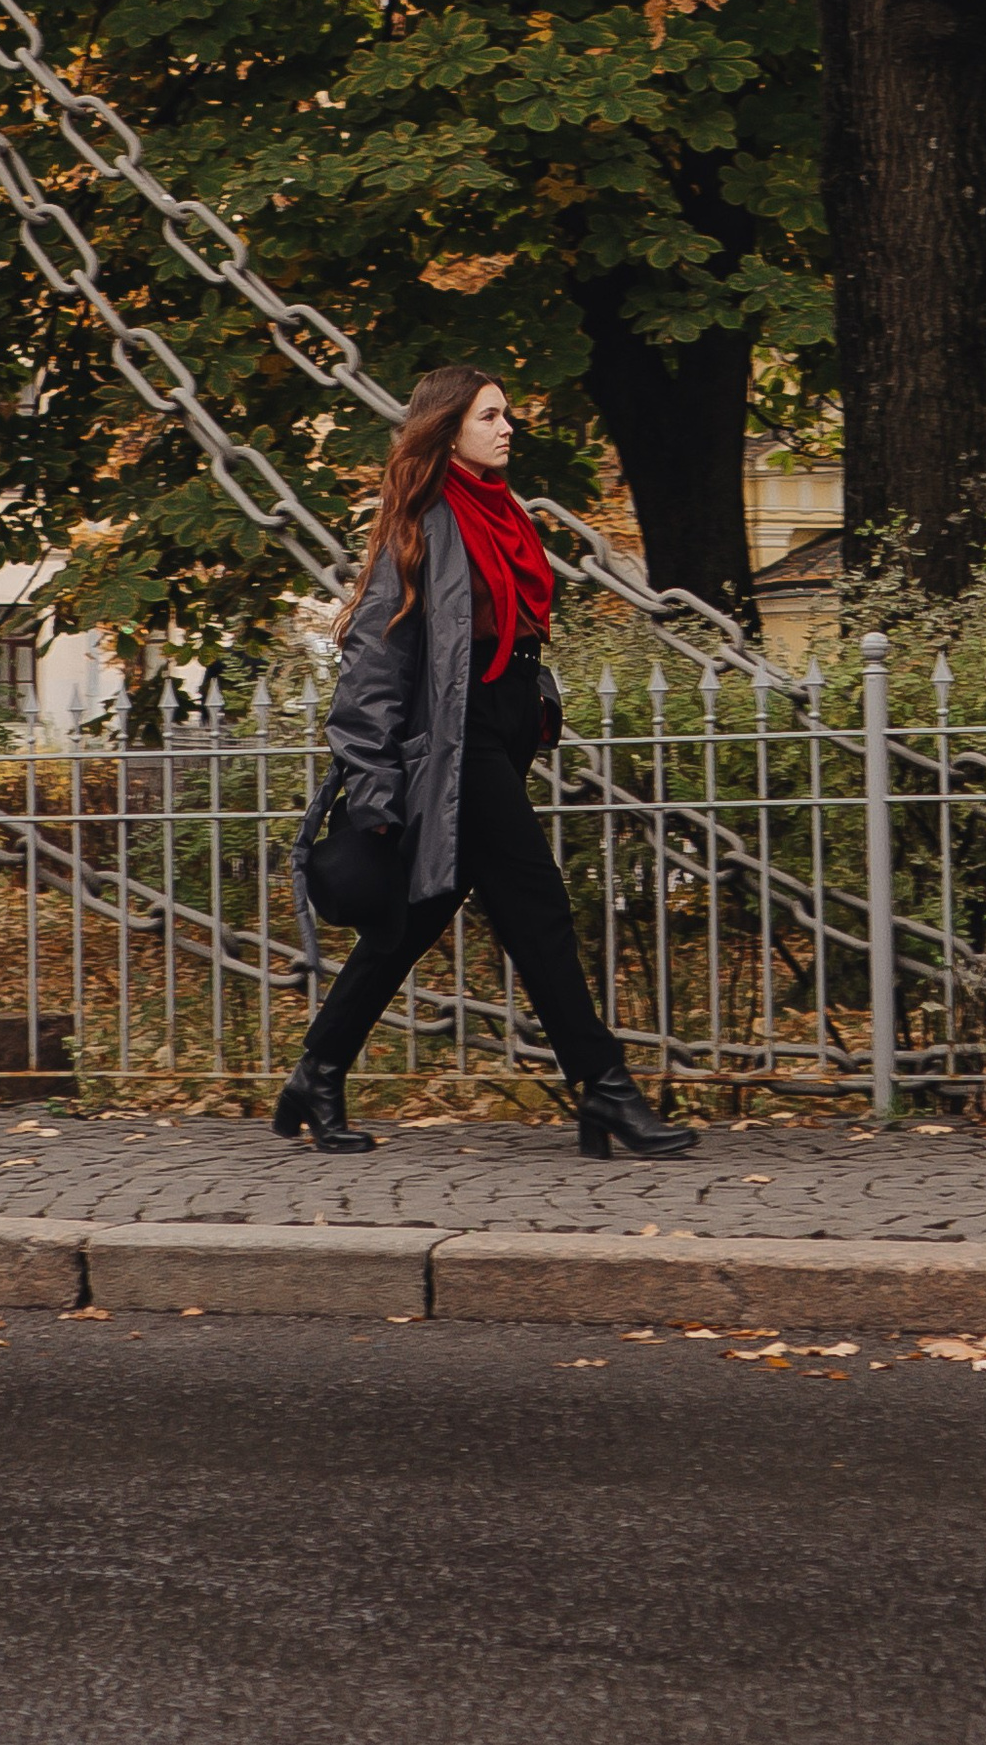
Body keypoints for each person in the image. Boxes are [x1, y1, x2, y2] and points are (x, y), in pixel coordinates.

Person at [277, 362, 696, 1161]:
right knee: (539, 906)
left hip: (501, 727)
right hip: (454, 739)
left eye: (507, 415)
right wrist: (373, 787)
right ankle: (604, 1087)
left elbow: (513, 631)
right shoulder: (423, 522)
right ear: (449, 430)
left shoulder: (503, 514)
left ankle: (317, 1071)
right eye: (489, 416)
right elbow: (373, 659)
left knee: (412, 921)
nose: (507, 428)